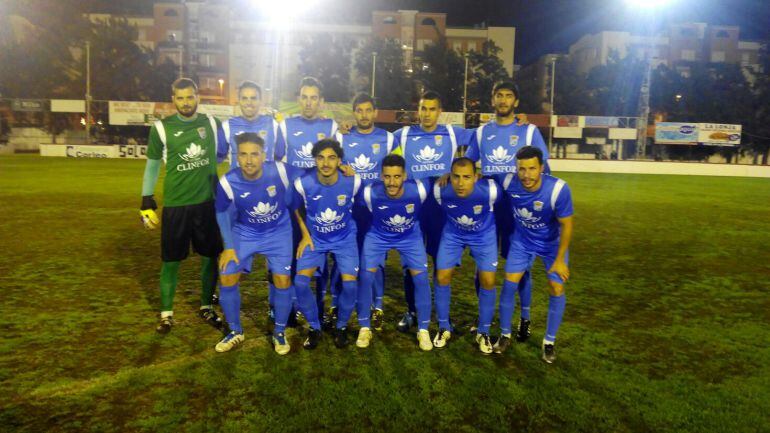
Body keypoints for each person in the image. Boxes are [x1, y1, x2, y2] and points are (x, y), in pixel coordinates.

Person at [465, 80, 550, 346]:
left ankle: (524, 318)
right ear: (492, 100)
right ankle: (484, 318)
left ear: (516, 102)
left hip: (517, 209)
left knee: (521, 266)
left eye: (508, 96)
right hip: (488, 208)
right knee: (483, 265)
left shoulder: (529, 131)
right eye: (498, 95)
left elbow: (543, 168)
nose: (503, 100)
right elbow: (468, 165)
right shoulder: (481, 133)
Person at [139, 77, 226, 334]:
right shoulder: (161, 128)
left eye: (190, 97)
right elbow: (153, 164)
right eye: (180, 98)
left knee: (210, 258)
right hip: (176, 206)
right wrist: (146, 198)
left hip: (207, 204)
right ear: (173, 99)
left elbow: (228, 148)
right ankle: (167, 314)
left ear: (198, 97)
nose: (186, 102)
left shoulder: (212, 123)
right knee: (170, 261)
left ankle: (206, 306)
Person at [392, 90, 472, 332]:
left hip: (440, 209)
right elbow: (374, 140)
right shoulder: (403, 134)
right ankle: (412, 311)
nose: (427, 114)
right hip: (413, 209)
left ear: (440, 111)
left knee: (441, 262)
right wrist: (347, 130)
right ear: (418, 111)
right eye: (423, 109)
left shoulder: (450, 132)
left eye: (432, 109)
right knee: (410, 263)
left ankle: (441, 312)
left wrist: (458, 168)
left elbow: (484, 137)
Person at [213, 132, 295, 354]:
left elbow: (310, 175)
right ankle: (235, 331)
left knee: (282, 279)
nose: (249, 160)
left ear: (264, 155)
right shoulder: (227, 182)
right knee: (227, 273)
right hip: (245, 232)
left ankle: (279, 331)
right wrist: (229, 248)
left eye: (254, 154)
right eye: (243, 154)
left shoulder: (279, 170)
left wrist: (343, 168)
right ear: (236, 156)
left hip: (278, 232)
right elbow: (221, 213)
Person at [328, 93, 394, 331]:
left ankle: (377, 307)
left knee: (375, 260)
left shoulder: (388, 139)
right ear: (353, 113)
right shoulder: (342, 138)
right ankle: (336, 303)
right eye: (359, 111)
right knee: (341, 256)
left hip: (377, 209)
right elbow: (325, 157)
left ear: (374, 112)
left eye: (368, 110)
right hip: (347, 207)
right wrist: (337, 129)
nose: (364, 115)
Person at [500, 146, 573, 363]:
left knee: (556, 287)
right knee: (509, 283)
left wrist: (560, 260)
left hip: (552, 245)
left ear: (542, 168)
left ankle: (549, 342)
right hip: (522, 242)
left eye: (532, 169)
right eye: (522, 169)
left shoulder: (558, 189)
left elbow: (567, 225)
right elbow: (479, 177)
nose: (526, 175)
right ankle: (504, 335)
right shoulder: (507, 182)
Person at [277, 77, 340, 323]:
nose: (309, 102)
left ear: (321, 102)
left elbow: (337, 160)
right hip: (293, 205)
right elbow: (277, 161)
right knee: (292, 254)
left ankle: (321, 305)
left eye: (314, 98)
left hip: (322, 205)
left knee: (322, 257)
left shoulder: (332, 127)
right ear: (298, 99)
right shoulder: (285, 126)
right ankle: (292, 306)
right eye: (304, 97)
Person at [355, 154, 433, 350]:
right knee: (365, 277)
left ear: (405, 176)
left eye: (396, 176)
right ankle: (364, 328)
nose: (391, 182)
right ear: (381, 176)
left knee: (421, 279)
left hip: (410, 237)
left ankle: (423, 330)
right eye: (387, 176)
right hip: (378, 236)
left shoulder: (421, 190)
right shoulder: (369, 193)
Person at [292, 138, 362, 349]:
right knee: (301, 283)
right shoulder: (302, 183)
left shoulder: (353, 182)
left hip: (344, 238)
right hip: (316, 239)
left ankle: (340, 326)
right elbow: (296, 208)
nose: (326, 163)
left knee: (350, 284)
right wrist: (305, 235)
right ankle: (314, 327)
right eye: (320, 158)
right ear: (314, 160)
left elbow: (363, 204)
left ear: (339, 160)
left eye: (331, 158)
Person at [433, 158, 500, 353]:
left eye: (467, 177)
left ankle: (484, 331)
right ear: (450, 176)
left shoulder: (492, 191)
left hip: (484, 236)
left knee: (488, 280)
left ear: (476, 177)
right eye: (456, 176)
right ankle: (444, 327)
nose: (461, 183)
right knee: (442, 276)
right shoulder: (440, 190)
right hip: (453, 235)